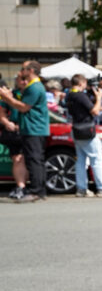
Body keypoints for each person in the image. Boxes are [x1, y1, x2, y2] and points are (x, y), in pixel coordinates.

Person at [0, 60, 50, 202]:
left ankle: (35, 191)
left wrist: (7, 98)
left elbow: (23, 107)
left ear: (31, 71)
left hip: (33, 128)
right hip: (34, 128)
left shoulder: (34, 87)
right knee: (36, 159)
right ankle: (40, 190)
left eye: (23, 69)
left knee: (34, 160)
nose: (21, 72)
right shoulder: (34, 86)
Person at [65, 74, 102, 197]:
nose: (86, 86)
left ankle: (81, 188)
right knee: (97, 159)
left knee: (81, 160)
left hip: (76, 128)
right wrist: (99, 98)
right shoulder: (80, 95)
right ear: (81, 83)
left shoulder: (69, 95)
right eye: (85, 83)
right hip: (86, 130)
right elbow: (95, 111)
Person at [0, 77, 28, 200]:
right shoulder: (11, 94)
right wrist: (7, 123)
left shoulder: (32, 93)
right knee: (17, 159)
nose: (23, 82)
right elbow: (1, 112)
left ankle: (27, 187)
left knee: (26, 159)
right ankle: (21, 187)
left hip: (30, 130)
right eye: (21, 80)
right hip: (14, 132)